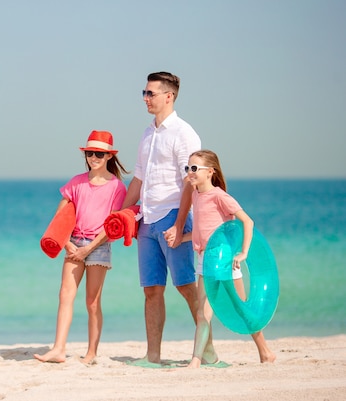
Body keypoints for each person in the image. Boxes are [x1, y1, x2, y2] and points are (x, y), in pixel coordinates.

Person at [122, 71, 209, 364]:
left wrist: (177, 223)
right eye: (144, 93)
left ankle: (207, 352)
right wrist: (120, 214)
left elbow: (191, 181)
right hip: (147, 219)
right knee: (151, 290)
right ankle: (153, 356)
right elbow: (138, 179)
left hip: (174, 216)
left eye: (151, 93)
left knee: (186, 286)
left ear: (168, 96)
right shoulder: (148, 133)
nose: (146, 98)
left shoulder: (184, 133)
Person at [34, 130, 128, 365]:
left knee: (92, 302)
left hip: (99, 246)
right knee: (65, 295)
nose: (93, 157)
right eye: (89, 153)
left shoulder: (117, 187)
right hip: (73, 243)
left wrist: (89, 248)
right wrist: (67, 243)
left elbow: (112, 223)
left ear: (108, 156)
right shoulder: (76, 182)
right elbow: (60, 215)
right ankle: (58, 349)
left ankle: (92, 353)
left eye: (98, 153)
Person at [176, 149, 276, 367]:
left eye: (194, 168)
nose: (189, 172)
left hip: (225, 262)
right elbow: (205, 231)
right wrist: (181, 238)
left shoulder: (220, 196)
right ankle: (196, 360)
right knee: (203, 313)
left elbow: (247, 222)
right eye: (187, 168)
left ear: (209, 172)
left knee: (241, 309)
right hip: (204, 260)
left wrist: (244, 252)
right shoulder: (195, 195)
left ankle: (265, 351)